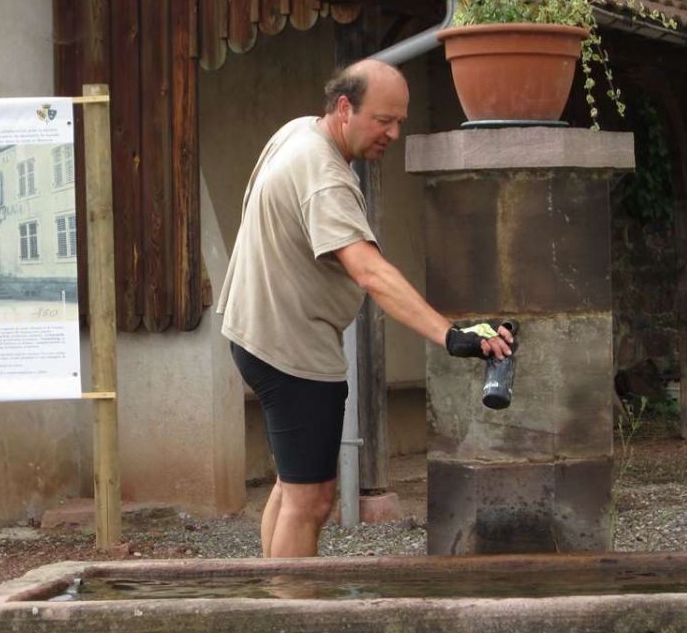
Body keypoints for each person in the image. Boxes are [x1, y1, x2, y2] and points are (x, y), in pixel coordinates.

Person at [216, 59, 515, 559]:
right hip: (291, 348)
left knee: (292, 488)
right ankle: (293, 608)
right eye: (383, 120)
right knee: (311, 501)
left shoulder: (300, 131)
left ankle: (270, 596)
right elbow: (371, 273)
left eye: (399, 121)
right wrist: (450, 335)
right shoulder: (325, 177)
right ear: (344, 108)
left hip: (257, 331)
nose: (394, 133)